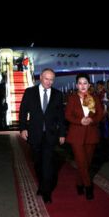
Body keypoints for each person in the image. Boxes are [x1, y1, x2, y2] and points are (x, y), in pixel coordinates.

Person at [19, 68, 66, 204]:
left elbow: (60, 117)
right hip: (35, 134)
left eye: (51, 79)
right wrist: (22, 128)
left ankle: (46, 192)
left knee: (48, 164)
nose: (49, 82)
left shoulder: (57, 94)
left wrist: (62, 133)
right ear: (40, 77)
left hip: (50, 135)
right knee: (38, 163)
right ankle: (42, 184)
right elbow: (23, 112)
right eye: (46, 79)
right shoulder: (30, 92)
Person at [65, 73, 104, 200]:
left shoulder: (95, 98)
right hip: (76, 135)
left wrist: (92, 121)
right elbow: (68, 116)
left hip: (91, 135)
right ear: (77, 85)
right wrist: (80, 121)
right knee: (81, 161)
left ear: (89, 85)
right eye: (80, 83)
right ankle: (88, 187)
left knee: (86, 163)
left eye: (85, 83)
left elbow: (100, 114)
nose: (82, 86)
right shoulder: (72, 99)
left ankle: (79, 183)